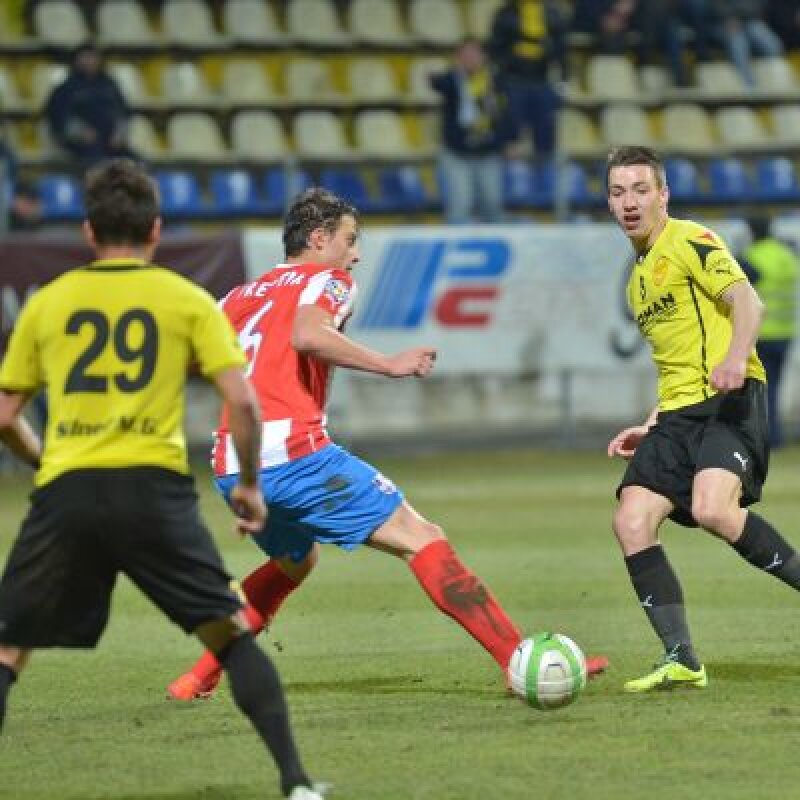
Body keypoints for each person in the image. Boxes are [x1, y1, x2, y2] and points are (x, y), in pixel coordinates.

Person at [167, 187, 606, 702]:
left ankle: (196, 677)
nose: (355, 254)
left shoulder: (241, 296)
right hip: (296, 455)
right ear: (318, 238)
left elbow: (194, 356)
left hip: (233, 461)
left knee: (295, 561)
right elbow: (308, 335)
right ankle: (517, 661)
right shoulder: (329, 280)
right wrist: (389, 363)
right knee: (421, 536)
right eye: (350, 240)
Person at [0, 159, 327, 800]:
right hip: (153, 489)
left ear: (90, 232)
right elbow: (244, 402)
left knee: (10, 649)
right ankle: (297, 784)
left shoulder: (51, 303)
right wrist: (252, 488)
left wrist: (45, 459)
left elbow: (6, 415)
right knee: (230, 637)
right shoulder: (184, 300)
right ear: (155, 229)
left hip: (68, 489)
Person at [603, 145, 800, 692]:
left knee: (713, 510)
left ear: (663, 195)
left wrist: (734, 357)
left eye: (640, 190)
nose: (629, 202)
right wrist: (652, 421)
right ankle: (681, 657)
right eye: (617, 191)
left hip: (730, 399)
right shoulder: (637, 280)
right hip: (677, 414)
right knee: (631, 521)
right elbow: (675, 361)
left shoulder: (690, 239)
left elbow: (749, 303)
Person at [430, 38, 513, 224]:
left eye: (475, 53)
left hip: (488, 151)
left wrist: (508, 141)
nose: (471, 58)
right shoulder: (452, 80)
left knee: (493, 204)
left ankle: (493, 246)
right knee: (461, 204)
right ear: (458, 58)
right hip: (457, 152)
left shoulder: (495, 81)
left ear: (484, 57)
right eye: (466, 54)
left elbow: (505, 113)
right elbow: (437, 83)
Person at [738, 214, 800, 450]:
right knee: (773, 388)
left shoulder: (752, 257)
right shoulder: (787, 254)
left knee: (759, 390)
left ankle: (765, 438)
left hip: (761, 333)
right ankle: (775, 436)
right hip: (786, 332)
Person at [487, 0, 569, 162]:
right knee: (511, 125)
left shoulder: (552, 13)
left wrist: (563, 84)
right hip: (512, 79)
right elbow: (496, 48)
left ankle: (544, 166)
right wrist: (499, 80)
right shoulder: (506, 12)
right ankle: (510, 165)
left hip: (542, 79)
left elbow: (561, 51)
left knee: (546, 128)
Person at [44, 43, 136, 167]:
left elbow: (124, 112)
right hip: (82, 144)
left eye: (93, 57)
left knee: (136, 163)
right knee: (97, 165)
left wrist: (119, 134)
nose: (89, 62)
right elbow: (58, 117)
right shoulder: (66, 88)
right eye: (85, 58)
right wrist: (80, 132)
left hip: (112, 141)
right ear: (76, 61)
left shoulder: (110, 85)